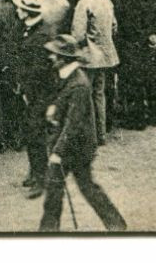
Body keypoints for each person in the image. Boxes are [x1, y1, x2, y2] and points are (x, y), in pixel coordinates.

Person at [39, 34, 126, 231]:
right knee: (59, 189)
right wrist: (54, 108)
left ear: (64, 58)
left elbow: (73, 124)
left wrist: (57, 153)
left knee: (85, 188)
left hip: (77, 147)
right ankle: (115, 223)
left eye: (54, 54)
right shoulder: (67, 76)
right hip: (72, 144)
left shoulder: (78, 84)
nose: (50, 57)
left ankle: (116, 224)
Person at [69, 0, 119, 142]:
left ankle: (89, 134)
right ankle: (102, 133)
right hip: (106, 54)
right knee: (100, 93)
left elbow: (78, 34)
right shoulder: (107, 1)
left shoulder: (84, 3)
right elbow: (114, 27)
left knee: (86, 93)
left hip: (90, 55)